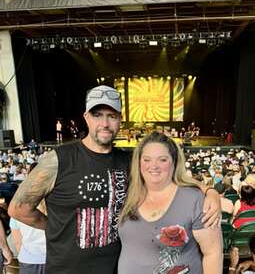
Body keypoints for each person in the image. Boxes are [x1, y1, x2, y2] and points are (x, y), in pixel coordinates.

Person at [8, 85, 221, 274]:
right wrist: (56, 228)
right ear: (86, 117)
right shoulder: (58, 159)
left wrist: (209, 192)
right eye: (98, 115)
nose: (105, 123)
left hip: (115, 267)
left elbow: (171, 178)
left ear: (120, 119)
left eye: (112, 116)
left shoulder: (129, 161)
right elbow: (18, 208)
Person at [118, 131, 223, 274]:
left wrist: (211, 192)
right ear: (138, 162)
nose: (153, 166)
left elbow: (213, 254)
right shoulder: (128, 193)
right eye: (147, 159)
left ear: (174, 162)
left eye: (162, 159)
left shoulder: (195, 200)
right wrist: (211, 190)